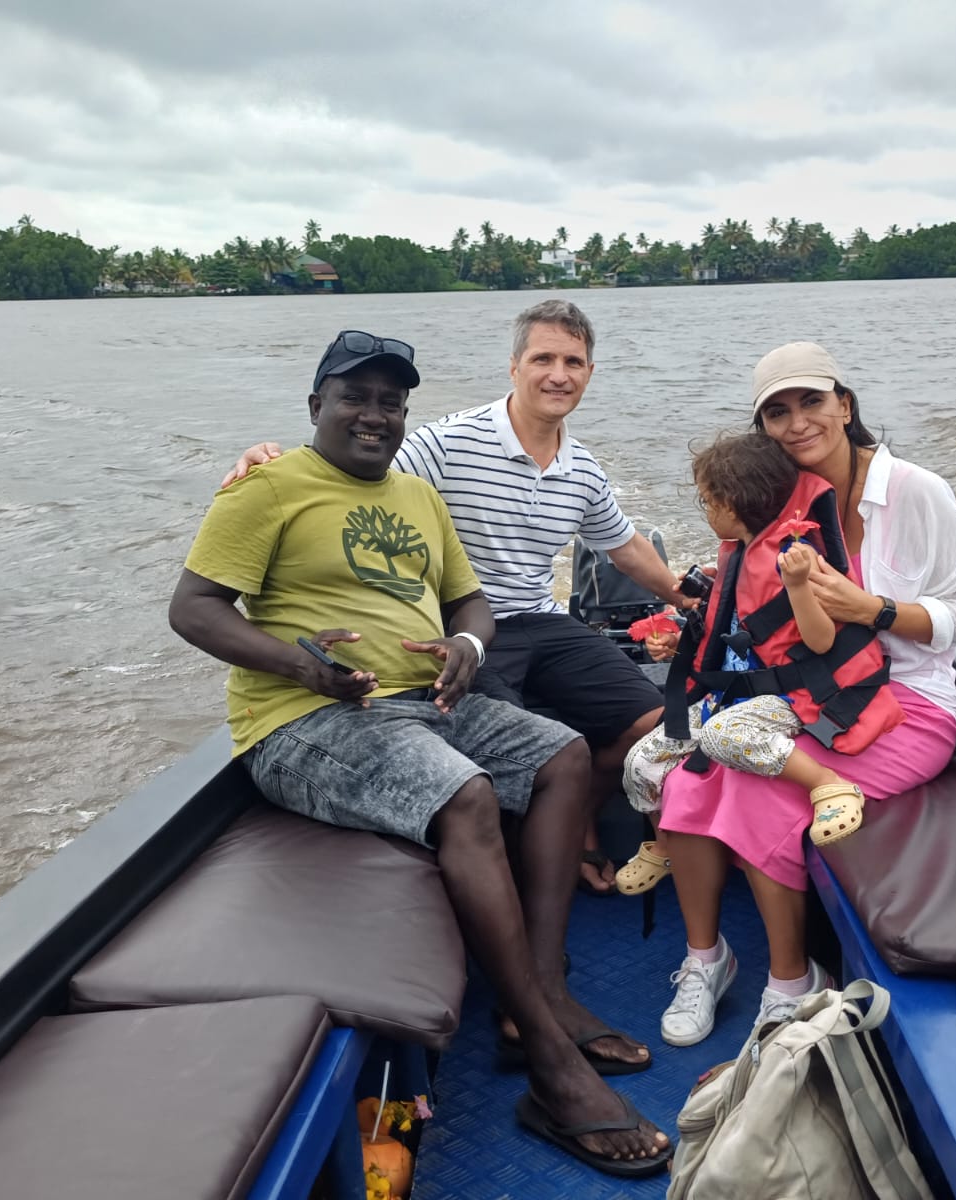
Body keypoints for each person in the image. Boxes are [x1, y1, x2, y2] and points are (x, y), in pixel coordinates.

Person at [170, 330, 669, 1176]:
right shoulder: (270, 487)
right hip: (306, 720)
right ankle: (551, 1066)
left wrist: (469, 650)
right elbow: (194, 609)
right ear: (316, 406)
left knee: (561, 757)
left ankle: (539, 996)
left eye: (391, 401)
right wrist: (305, 666)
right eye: (355, 397)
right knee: (469, 796)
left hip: (424, 699)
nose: (375, 415)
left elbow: (468, 602)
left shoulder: (414, 494)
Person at [222, 301, 690, 898]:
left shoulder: (584, 470)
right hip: (466, 630)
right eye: (543, 358)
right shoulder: (446, 443)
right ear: (514, 366)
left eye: (573, 361)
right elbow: (355, 461)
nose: (558, 374)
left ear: (589, 373)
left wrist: (692, 602)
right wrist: (272, 459)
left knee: (656, 724)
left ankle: (580, 817)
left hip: (541, 621)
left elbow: (625, 549)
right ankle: (577, 837)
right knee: (505, 754)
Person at [653, 341, 956, 1048]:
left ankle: (790, 982)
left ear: (845, 404)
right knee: (685, 783)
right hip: (809, 698)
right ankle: (706, 959)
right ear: (762, 428)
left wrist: (873, 611)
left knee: (752, 791)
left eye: (812, 402)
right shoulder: (773, 507)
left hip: (908, 704)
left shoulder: (916, 492)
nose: (798, 422)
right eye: (778, 411)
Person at [622, 430, 903, 869]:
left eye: (708, 502)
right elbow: (725, 632)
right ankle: (665, 845)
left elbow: (822, 640)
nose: (706, 511)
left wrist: (797, 586)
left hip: (792, 695)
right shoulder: (737, 556)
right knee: (641, 762)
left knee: (723, 736)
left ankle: (828, 784)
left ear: (733, 505)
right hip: (733, 691)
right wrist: (679, 642)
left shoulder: (796, 559)